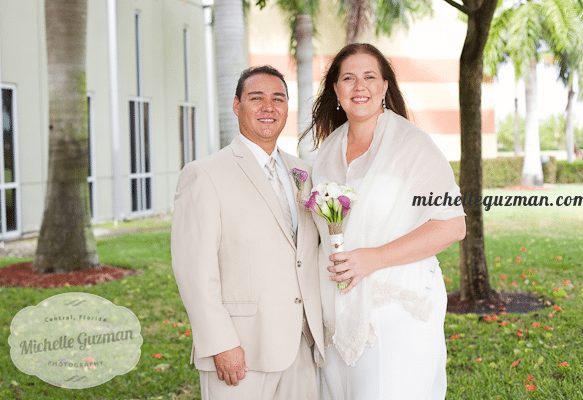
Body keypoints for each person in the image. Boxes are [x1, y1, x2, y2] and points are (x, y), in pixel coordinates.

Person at [303, 43, 466, 399]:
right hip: (337, 313)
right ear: (336, 90)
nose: (359, 86)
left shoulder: (412, 145)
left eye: (369, 77)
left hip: (395, 310)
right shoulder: (326, 152)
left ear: (384, 87)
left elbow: (452, 225)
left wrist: (373, 258)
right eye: (349, 78)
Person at [171, 65, 324, 400]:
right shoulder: (204, 174)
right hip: (242, 348)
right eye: (257, 98)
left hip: (301, 344)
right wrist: (220, 342)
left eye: (278, 98)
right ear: (236, 105)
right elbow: (193, 269)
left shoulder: (303, 172)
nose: (269, 107)